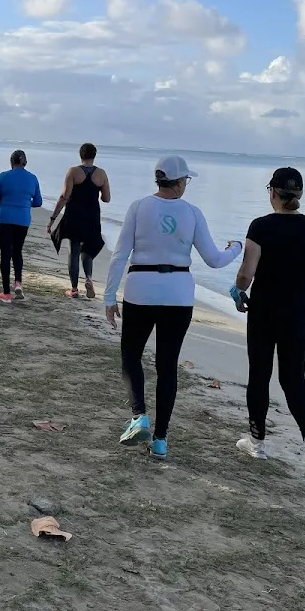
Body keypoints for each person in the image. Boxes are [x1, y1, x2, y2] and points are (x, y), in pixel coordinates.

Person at [104, 155, 242, 460]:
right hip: (178, 295)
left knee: (131, 354)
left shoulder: (139, 207)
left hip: (141, 289)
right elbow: (214, 260)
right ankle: (161, 440)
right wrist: (237, 248)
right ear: (179, 182)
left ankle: (139, 414)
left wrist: (110, 297)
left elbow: (119, 255)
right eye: (186, 181)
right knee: (167, 366)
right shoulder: (192, 213)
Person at [232, 167, 305, 480]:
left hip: (264, 310)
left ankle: (257, 443)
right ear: (299, 195)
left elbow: (246, 273)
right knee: (294, 378)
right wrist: (296, 295)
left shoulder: (261, 227)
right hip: (299, 312)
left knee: (259, 374)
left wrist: (238, 290)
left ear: (272, 192)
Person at [47, 143, 111, 298]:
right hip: (92, 216)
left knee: (73, 251)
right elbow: (107, 198)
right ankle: (88, 278)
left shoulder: (73, 172)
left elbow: (64, 196)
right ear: (94, 155)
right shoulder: (101, 174)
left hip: (74, 215)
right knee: (88, 250)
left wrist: (53, 219)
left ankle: (74, 289)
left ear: (80, 155)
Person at [0, 150, 43, 303]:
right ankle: (18, 282)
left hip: (5, 217)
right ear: (25, 162)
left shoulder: (4, 176)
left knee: (5, 253)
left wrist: (5, 198)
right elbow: (38, 202)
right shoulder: (33, 178)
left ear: (11, 162)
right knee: (17, 251)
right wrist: (25, 202)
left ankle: (6, 293)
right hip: (23, 219)